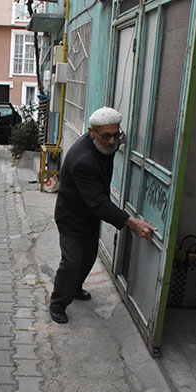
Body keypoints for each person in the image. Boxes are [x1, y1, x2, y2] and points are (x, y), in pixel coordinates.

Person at [49, 106, 157, 324]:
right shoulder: (84, 161)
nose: (111, 141)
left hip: (89, 216)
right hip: (71, 217)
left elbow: (115, 143)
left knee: (88, 257)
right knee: (71, 263)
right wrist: (130, 222)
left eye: (115, 135)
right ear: (92, 132)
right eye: (106, 136)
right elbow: (98, 203)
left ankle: (76, 288)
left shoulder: (107, 143)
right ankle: (58, 304)